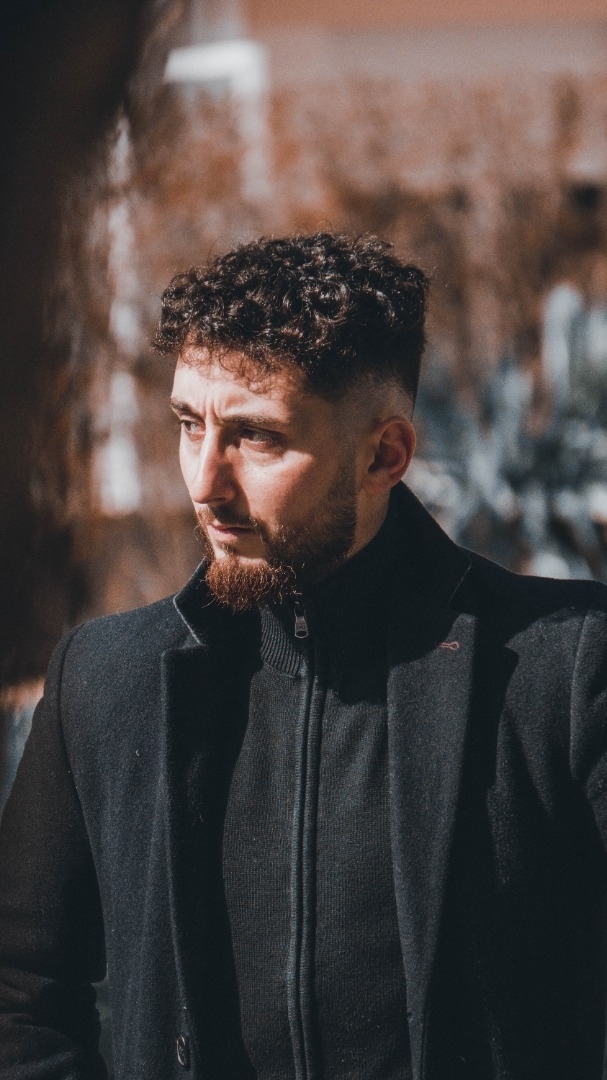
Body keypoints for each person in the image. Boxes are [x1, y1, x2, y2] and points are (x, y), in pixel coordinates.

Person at [1, 232, 607, 1080]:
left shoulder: (562, 671)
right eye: (188, 425)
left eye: (256, 437)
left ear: (384, 455)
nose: (204, 484)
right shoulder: (105, 679)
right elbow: (21, 993)